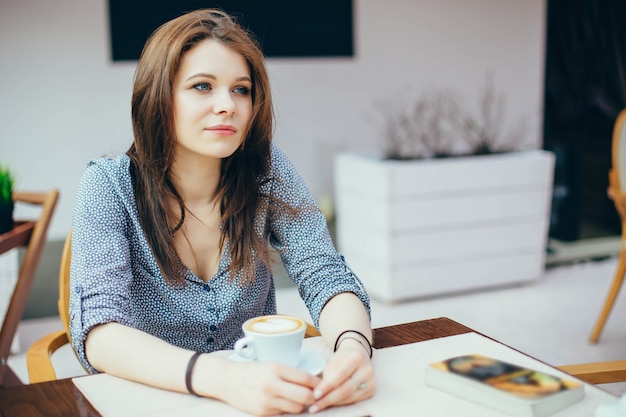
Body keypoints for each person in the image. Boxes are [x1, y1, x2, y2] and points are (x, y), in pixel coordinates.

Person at [69, 8, 374, 416]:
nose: (227, 105)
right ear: (159, 96)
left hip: (259, 402)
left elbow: (324, 274)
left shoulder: (266, 169)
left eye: (241, 89)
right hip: (155, 401)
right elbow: (99, 333)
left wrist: (354, 349)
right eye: (202, 86)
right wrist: (224, 380)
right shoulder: (108, 186)